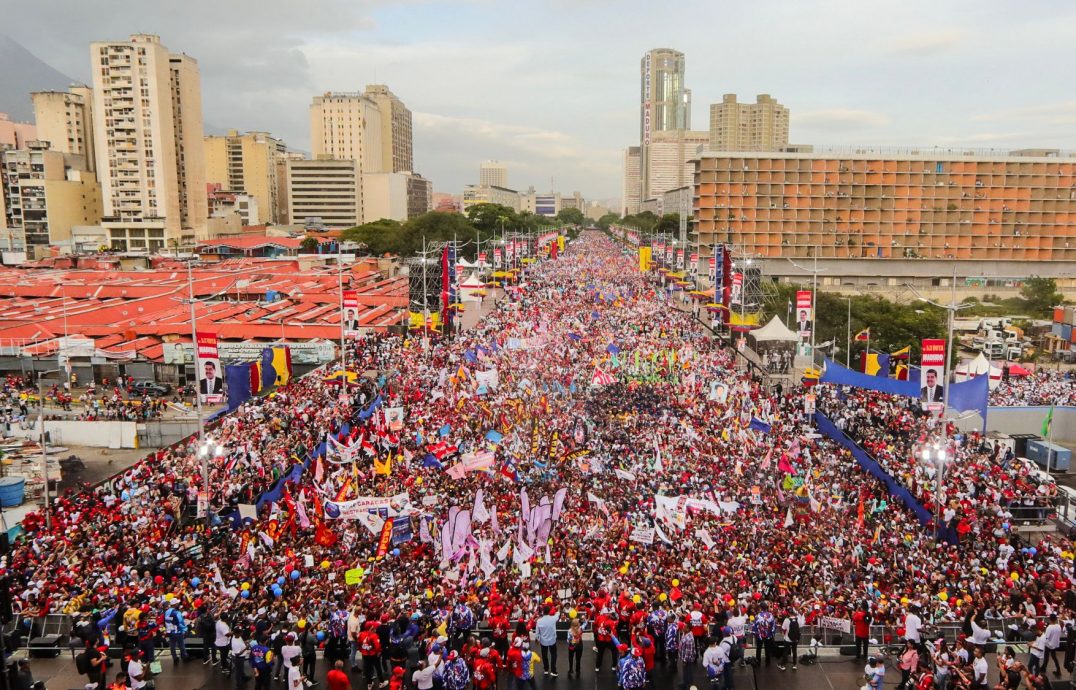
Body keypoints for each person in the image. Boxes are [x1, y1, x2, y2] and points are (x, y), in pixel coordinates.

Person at [535, 606, 559, 677]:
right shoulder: (553, 618)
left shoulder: (539, 621)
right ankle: (553, 671)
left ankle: (546, 669)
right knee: (553, 655)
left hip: (543, 641)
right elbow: (558, 614)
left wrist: (537, 639)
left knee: (544, 655)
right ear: (549, 611)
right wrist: (557, 609)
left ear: (543, 612)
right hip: (552, 640)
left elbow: (537, 633)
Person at [753, 602, 777, 667]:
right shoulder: (771, 615)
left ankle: (758, 662)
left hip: (760, 635)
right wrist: (772, 634)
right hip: (768, 635)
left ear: (760, 608)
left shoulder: (757, 616)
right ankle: (768, 662)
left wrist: (755, 633)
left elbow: (754, 626)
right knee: (767, 649)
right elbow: (774, 626)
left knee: (759, 649)